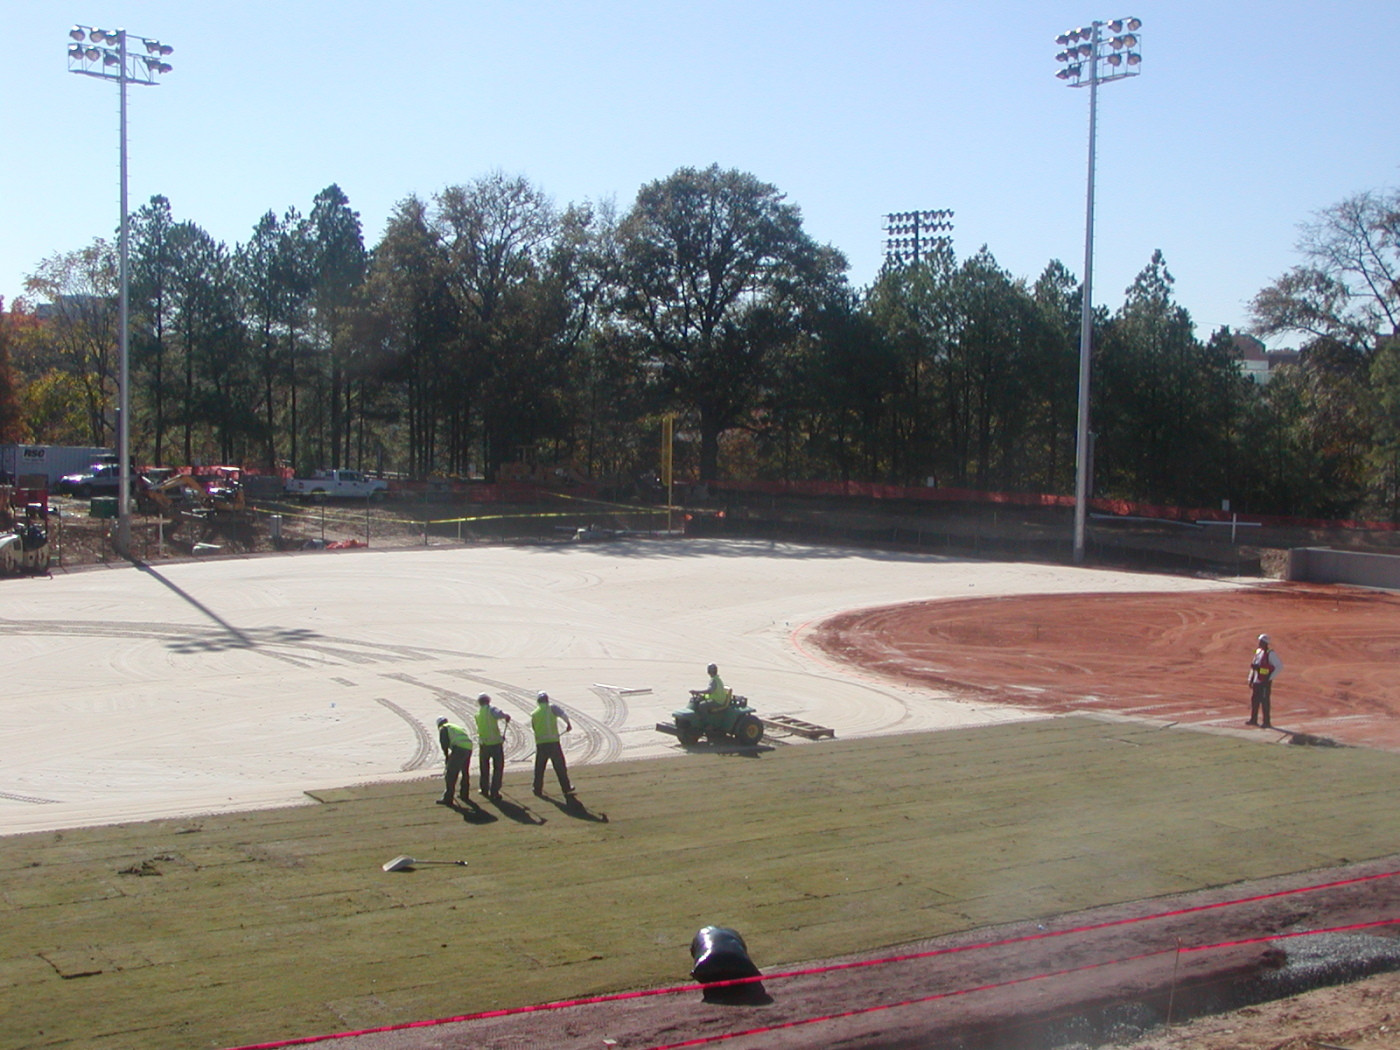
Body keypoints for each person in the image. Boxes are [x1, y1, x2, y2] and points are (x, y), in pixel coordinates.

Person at [530, 691, 575, 797]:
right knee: (560, 767)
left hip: (541, 744)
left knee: (539, 768)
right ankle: (566, 787)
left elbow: (534, 727)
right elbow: (563, 715)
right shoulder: (552, 708)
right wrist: (568, 724)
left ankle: (537, 788)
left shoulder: (535, 713)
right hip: (553, 743)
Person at [475, 692, 512, 800]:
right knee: (498, 768)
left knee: (484, 768)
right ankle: (494, 791)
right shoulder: (491, 710)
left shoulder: (478, 714)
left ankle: (484, 789)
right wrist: (506, 716)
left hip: (483, 744)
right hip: (495, 744)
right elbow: (499, 714)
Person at [435, 715, 474, 806]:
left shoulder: (443, 728)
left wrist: (447, 757)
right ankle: (464, 794)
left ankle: (448, 798)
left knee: (451, 774)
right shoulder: (454, 727)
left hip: (459, 749)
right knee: (465, 771)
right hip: (468, 747)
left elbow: (444, 743)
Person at [1247, 633, 1282, 729]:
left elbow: (1278, 667)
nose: (1259, 643)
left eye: (1261, 641)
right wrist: (1251, 679)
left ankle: (1266, 722)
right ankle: (1253, 719)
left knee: (1265, 701)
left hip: (1264, 682)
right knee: (1255, 701)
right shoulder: (1258, 652)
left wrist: (1269, 678)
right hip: (1256, 681)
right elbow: (1254, 667)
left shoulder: (1270, 653)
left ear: (1265, 643)